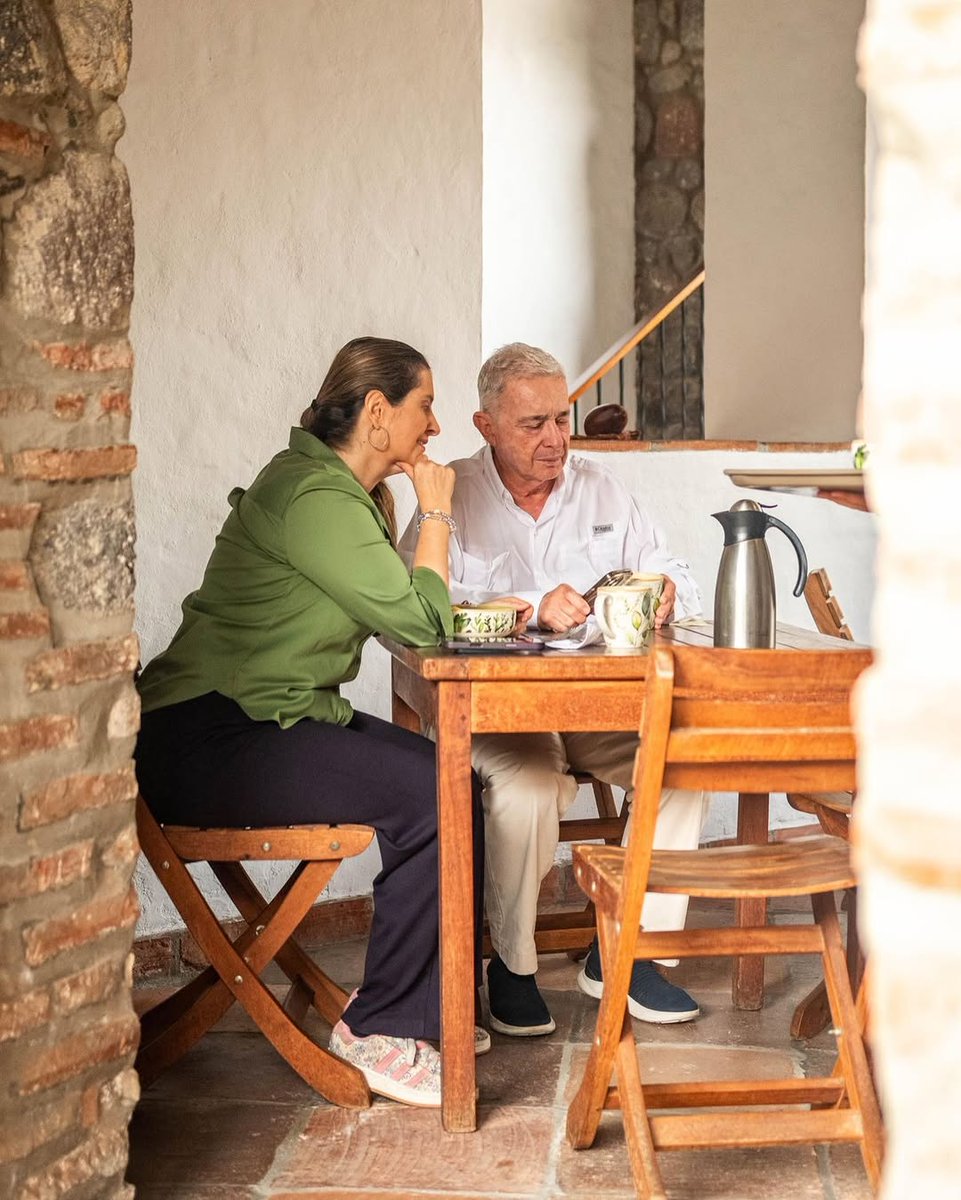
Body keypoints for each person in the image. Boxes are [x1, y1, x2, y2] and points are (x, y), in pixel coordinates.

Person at [135, 336, 485, 1107]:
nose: (434, 424)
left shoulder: (339, 495)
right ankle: (385, 1028)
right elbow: (424, 626)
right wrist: (435, 511)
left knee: (457, 780)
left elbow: (408, 613)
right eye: (424, 404)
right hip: (207, 736)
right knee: (433, 794)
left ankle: (443, 1002)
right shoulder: (315, 496)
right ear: (375, 411)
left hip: (265, 720)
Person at [399, 342, 709, 1037]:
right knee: (530, 787)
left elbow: (672, 569)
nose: (554, 440)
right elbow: (415, 599)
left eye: (562, 421)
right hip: (503, 716)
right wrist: (532, 601)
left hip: (598, 709)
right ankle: (510, 964)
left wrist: (663, 589)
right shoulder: (449, 491)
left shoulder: (599, 487)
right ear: (485, 426)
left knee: (684, 764)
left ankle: (627, 949)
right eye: (532, 424)